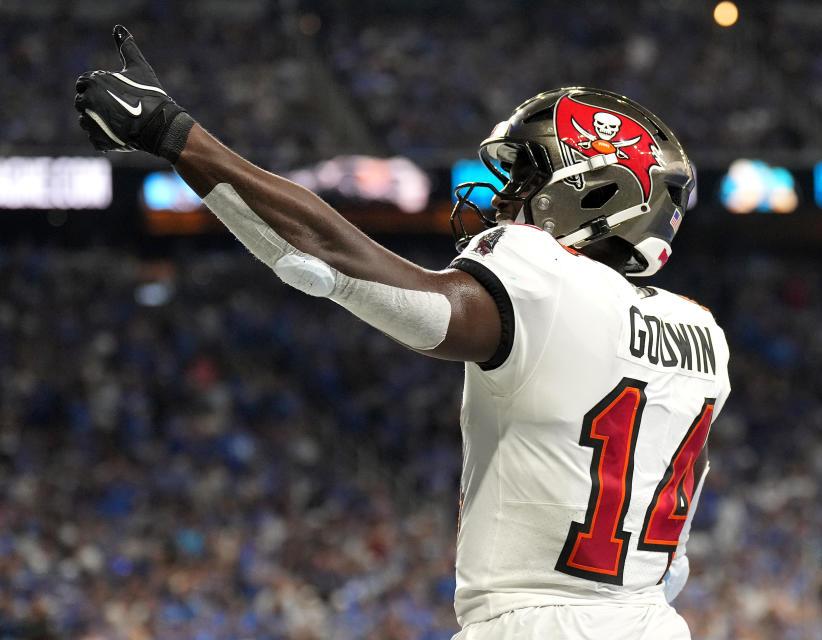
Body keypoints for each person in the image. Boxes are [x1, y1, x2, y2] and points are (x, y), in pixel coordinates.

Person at [74, 26, 731, 640]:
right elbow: (668, 553)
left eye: (527, 179)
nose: (503, 200)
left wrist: (178, 137)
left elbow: (336, 268)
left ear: (595, 193)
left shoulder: (546, 279)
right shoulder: (702, 335)